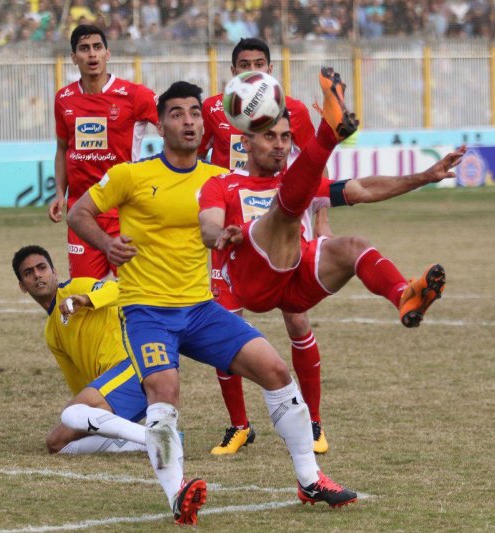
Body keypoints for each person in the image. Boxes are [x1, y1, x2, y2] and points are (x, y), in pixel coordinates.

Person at [68, 76, 358, 527]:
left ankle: (310, 478)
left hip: (201, 309)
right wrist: (106, 244)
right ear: (160, 124)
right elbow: (77, 211)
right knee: (164, 394)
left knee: (276, 371)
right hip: (147, 311)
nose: (188, 121)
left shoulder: (220, 179)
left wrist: (241, 234)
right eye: (176, 113)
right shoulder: (131, 175)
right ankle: (176, 494)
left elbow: (264, 213)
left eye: (194, 113)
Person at [198, 68, 466, 331]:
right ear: (245, 143)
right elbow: (208, 227)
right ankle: (328, 133)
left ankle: (404, 297)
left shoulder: (296, 184)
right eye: (270, 136)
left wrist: (424, 176)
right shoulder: (222, 184)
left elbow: (363, 189)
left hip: (295, 282)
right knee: (284, 212)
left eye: (286, 137)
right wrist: (222, 234)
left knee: (354, 245)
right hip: (253, 283)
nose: (280, 145)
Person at [198, 37, 331, 456]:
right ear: (232, 68)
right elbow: (201, 160)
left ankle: (313, 422)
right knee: (224, 329)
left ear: (271, 68)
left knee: (297, 322)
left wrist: (322, 226)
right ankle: (239, 426)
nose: (251, 68)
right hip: (232, 233)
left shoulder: (294, 111)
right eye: (243, 63)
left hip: (283, 228)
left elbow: (315, 169)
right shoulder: (216, 110)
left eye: (259, 63)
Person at [12, 244, 149, 455]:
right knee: (56, 442)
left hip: (135, 369)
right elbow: (80, 385)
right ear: (23, 285)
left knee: (72, 414)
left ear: (54, 272)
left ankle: (157, 438)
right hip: (112, 392)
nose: (38, 275)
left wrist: (86, 300)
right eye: (28, 273)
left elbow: (119, 290)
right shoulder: (51, 333)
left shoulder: (76, 288)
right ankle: (145, 440)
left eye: (42, 268)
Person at [48, 24, 158, 279]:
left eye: (97, 47)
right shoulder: (64, 98)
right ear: (74, 57)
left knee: (133, 295)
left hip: (124, 210)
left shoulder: (134, 95)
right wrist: (59, 194)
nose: (92, 55)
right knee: (84, 292)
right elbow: (62, 148)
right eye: (84, 49)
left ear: (107, 53)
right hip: (82, 213)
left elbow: (170, 123)